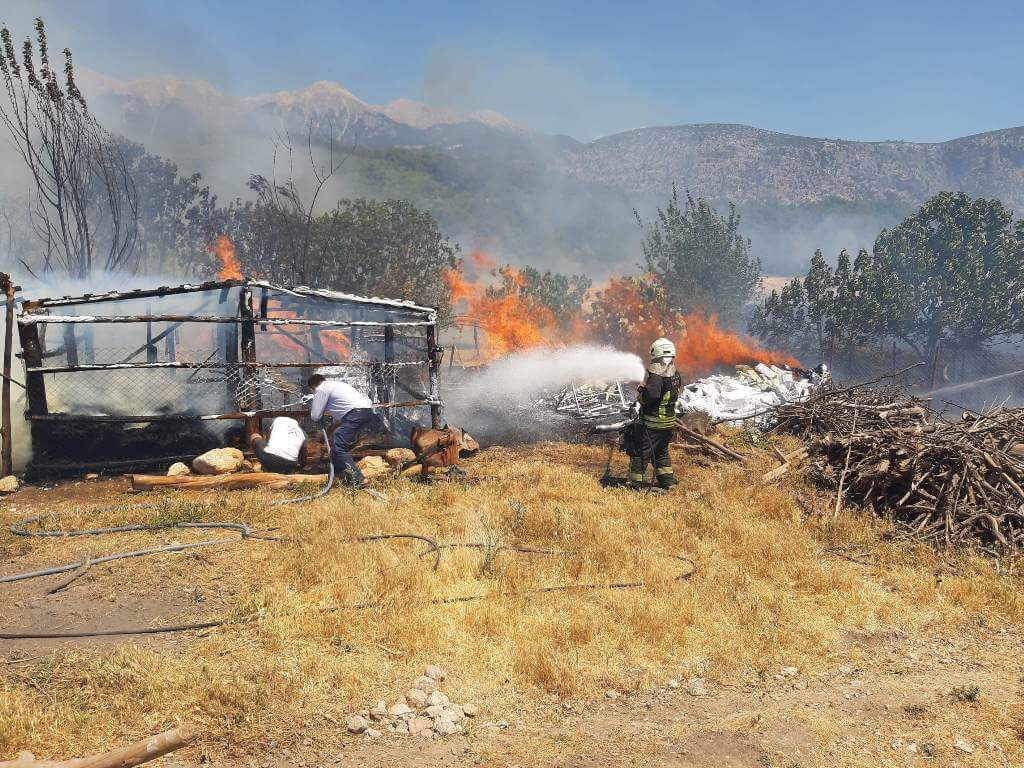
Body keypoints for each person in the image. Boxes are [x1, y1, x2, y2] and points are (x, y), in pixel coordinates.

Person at [629, 337, 682, 489]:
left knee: (641, 452)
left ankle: (635, 484)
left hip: (653, 424)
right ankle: (668, 482)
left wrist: (641, 393)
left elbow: (650, 397)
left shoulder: (657, 377)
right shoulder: (675, 374)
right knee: (661, 452)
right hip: (668, 423)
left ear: (655, 354)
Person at [307, 373, 375, 487]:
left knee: (339, 449)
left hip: (355, 414)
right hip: (366, 412)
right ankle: (341, 476)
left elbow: (315, 416)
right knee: (336, 448)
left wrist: (314, 401)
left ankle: (360, 479)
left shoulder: (322, 389)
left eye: (313, 391)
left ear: (313, 387)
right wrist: (326, 436)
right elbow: (337, 422)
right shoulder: (336, 386)